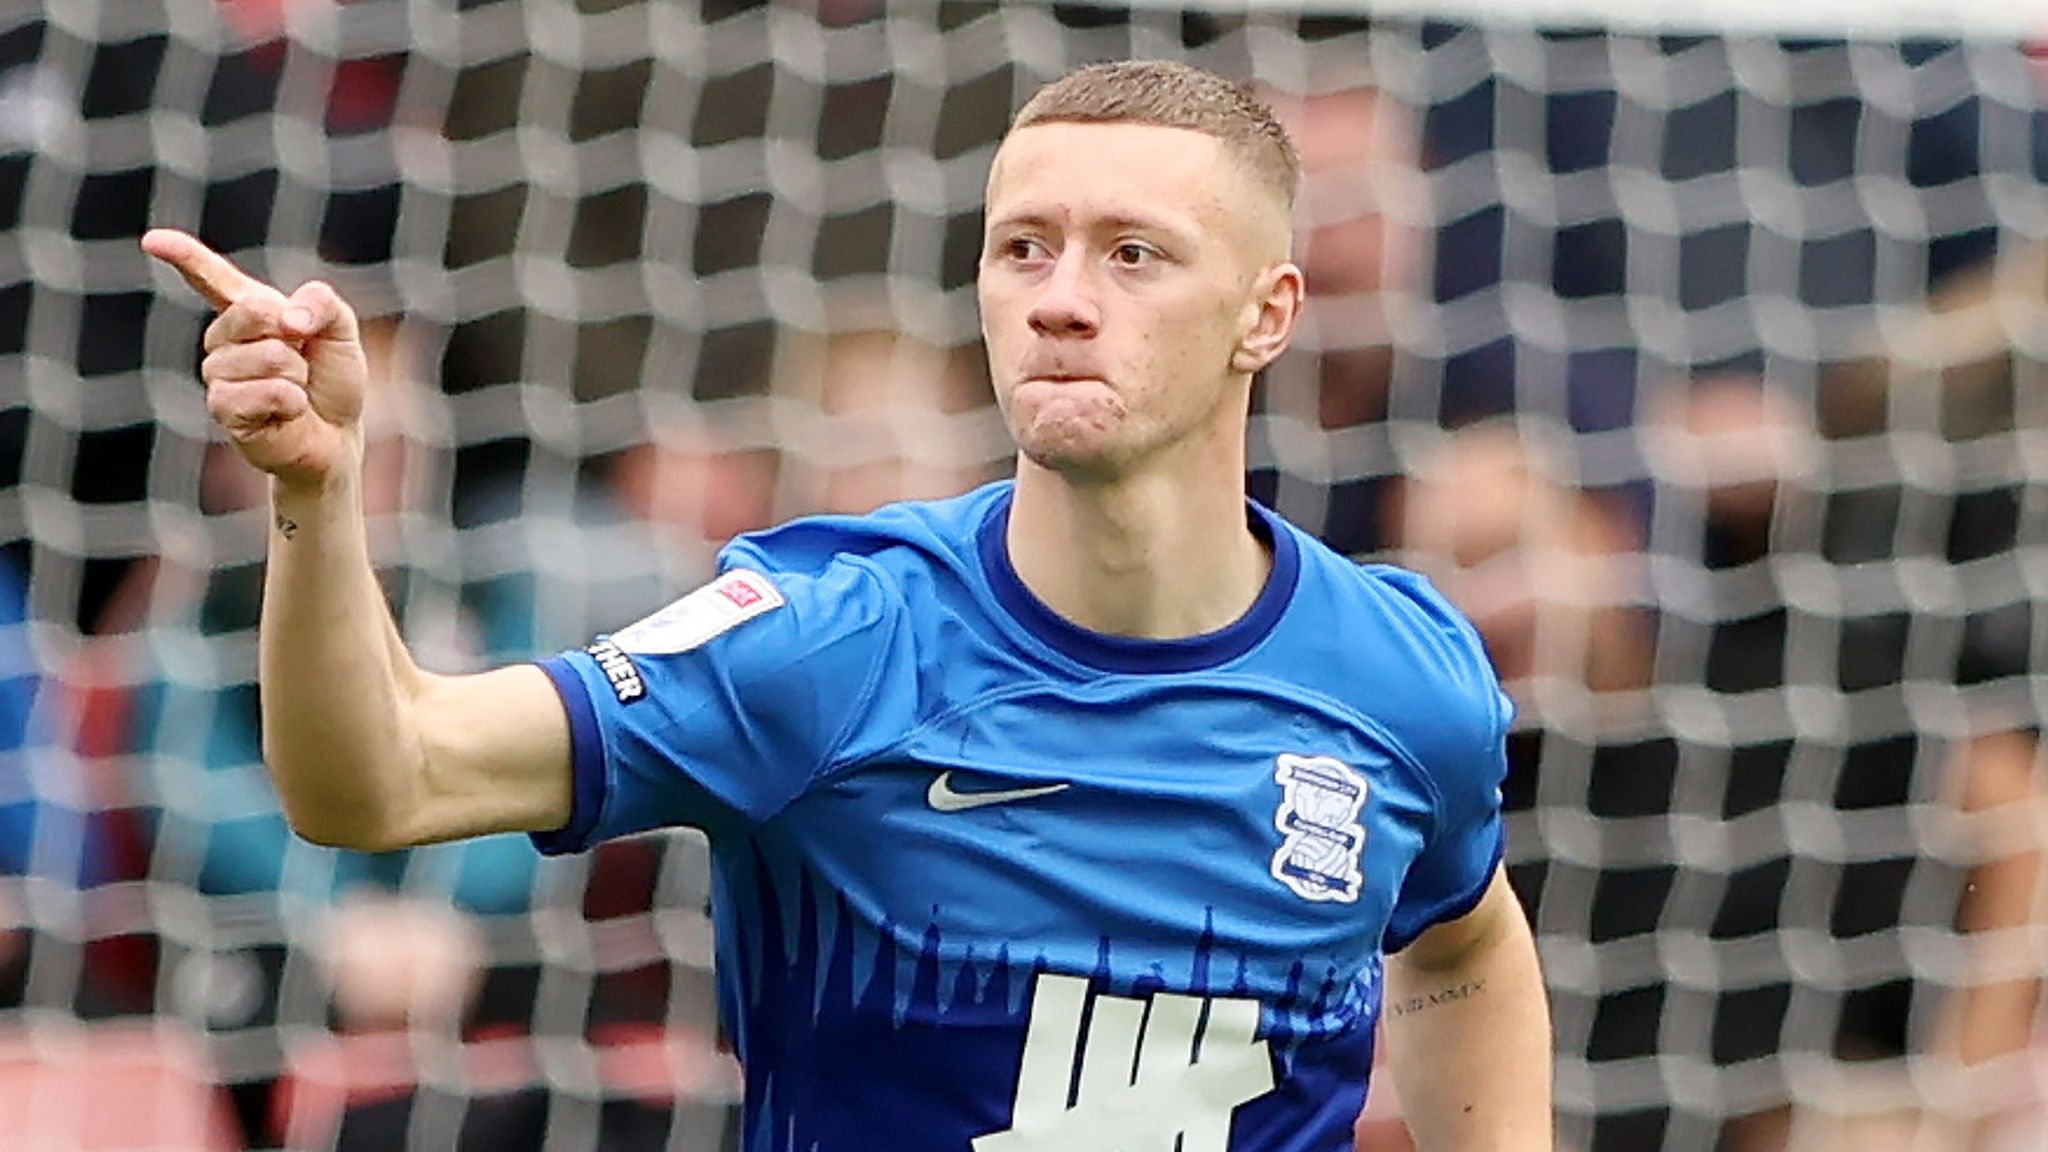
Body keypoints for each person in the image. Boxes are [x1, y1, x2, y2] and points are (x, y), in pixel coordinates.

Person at [142, 59, 1554, 1151]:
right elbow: (378, 781)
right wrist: (319, 499)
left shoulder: (1399, 676)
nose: (1062, 300)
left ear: (1268, 312)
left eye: (1133, 254)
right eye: (1024, 249)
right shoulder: (829, 642)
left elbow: (1465, 941)